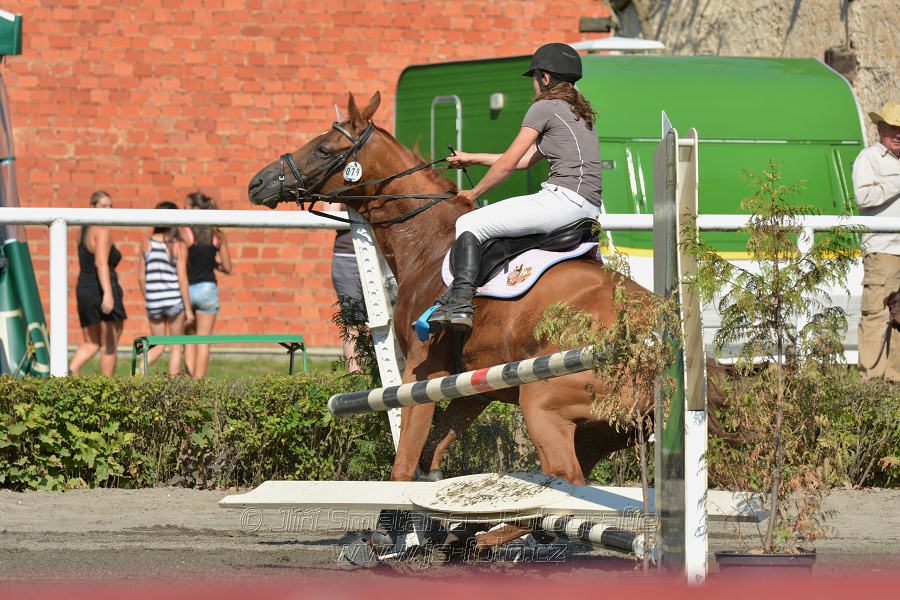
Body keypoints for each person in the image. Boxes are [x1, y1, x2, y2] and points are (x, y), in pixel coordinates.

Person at [429, 42, 603, 334]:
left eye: (534, 78)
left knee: (469, 222)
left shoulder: (545, 106)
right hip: (588, 206)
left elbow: (509, 163)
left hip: (562, 201)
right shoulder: (576, 111)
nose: (533, 86)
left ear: (545, 78)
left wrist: (473, 194)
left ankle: (458, 304)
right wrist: (472, 158)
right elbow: (524, 160)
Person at [854, 100, 900, 381]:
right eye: (893, 127)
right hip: (882, 251)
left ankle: (894, 389)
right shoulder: (869, 158)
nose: (898, 133)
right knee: (877, 318)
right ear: (880, 127)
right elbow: (863, 197)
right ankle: (869, 389)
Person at [69, 191, 127, 376]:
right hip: (100, 290)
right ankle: (106, 390)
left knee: (92, 342)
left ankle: (68, 372)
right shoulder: (101, 231)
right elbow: (101, 263)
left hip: (84, 289)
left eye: (111, 206)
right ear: (92, 207)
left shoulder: (83, 230)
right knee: (110, 344)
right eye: (104, 206)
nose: (108, 210)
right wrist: (108, 293)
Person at [180, 191, 232, 378]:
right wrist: (213, 263)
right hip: (207, 290)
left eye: (186, 206)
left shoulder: (184, 233)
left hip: (186, 290)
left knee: (188, 339)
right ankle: (198, 384)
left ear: (195, 208)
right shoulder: (216, 234)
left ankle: (190, 376)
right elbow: (227, 267)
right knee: (204, 340)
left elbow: (180, 262)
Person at [138, 201, 193, 375]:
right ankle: (173, 386)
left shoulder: (146, 243)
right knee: (176, 346)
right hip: (174, 302)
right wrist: (189, 310)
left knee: (158, 345)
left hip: (153, 301)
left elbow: (141, 277)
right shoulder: (178, 246)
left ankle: (140, 369)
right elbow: (182, 279)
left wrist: (150, 297)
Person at [322, 202, 365, 373]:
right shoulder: (338, 179)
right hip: (347, 258)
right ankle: (356, 377)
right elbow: (328, 216)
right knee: (354, 322)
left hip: (383, 256)